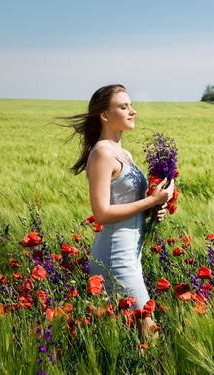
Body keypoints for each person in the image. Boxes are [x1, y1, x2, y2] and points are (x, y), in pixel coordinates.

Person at [65, 84, 174, 337]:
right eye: (123, 107)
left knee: (133, 332)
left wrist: (154, 208)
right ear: (105, 115)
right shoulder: (102, 154)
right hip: (115, 254)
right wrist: (150, 201)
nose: (132, 111)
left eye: (131, 105)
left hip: (132, 252)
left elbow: (127, 203)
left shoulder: (124, 153)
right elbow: (102, 213)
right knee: (148, 329)